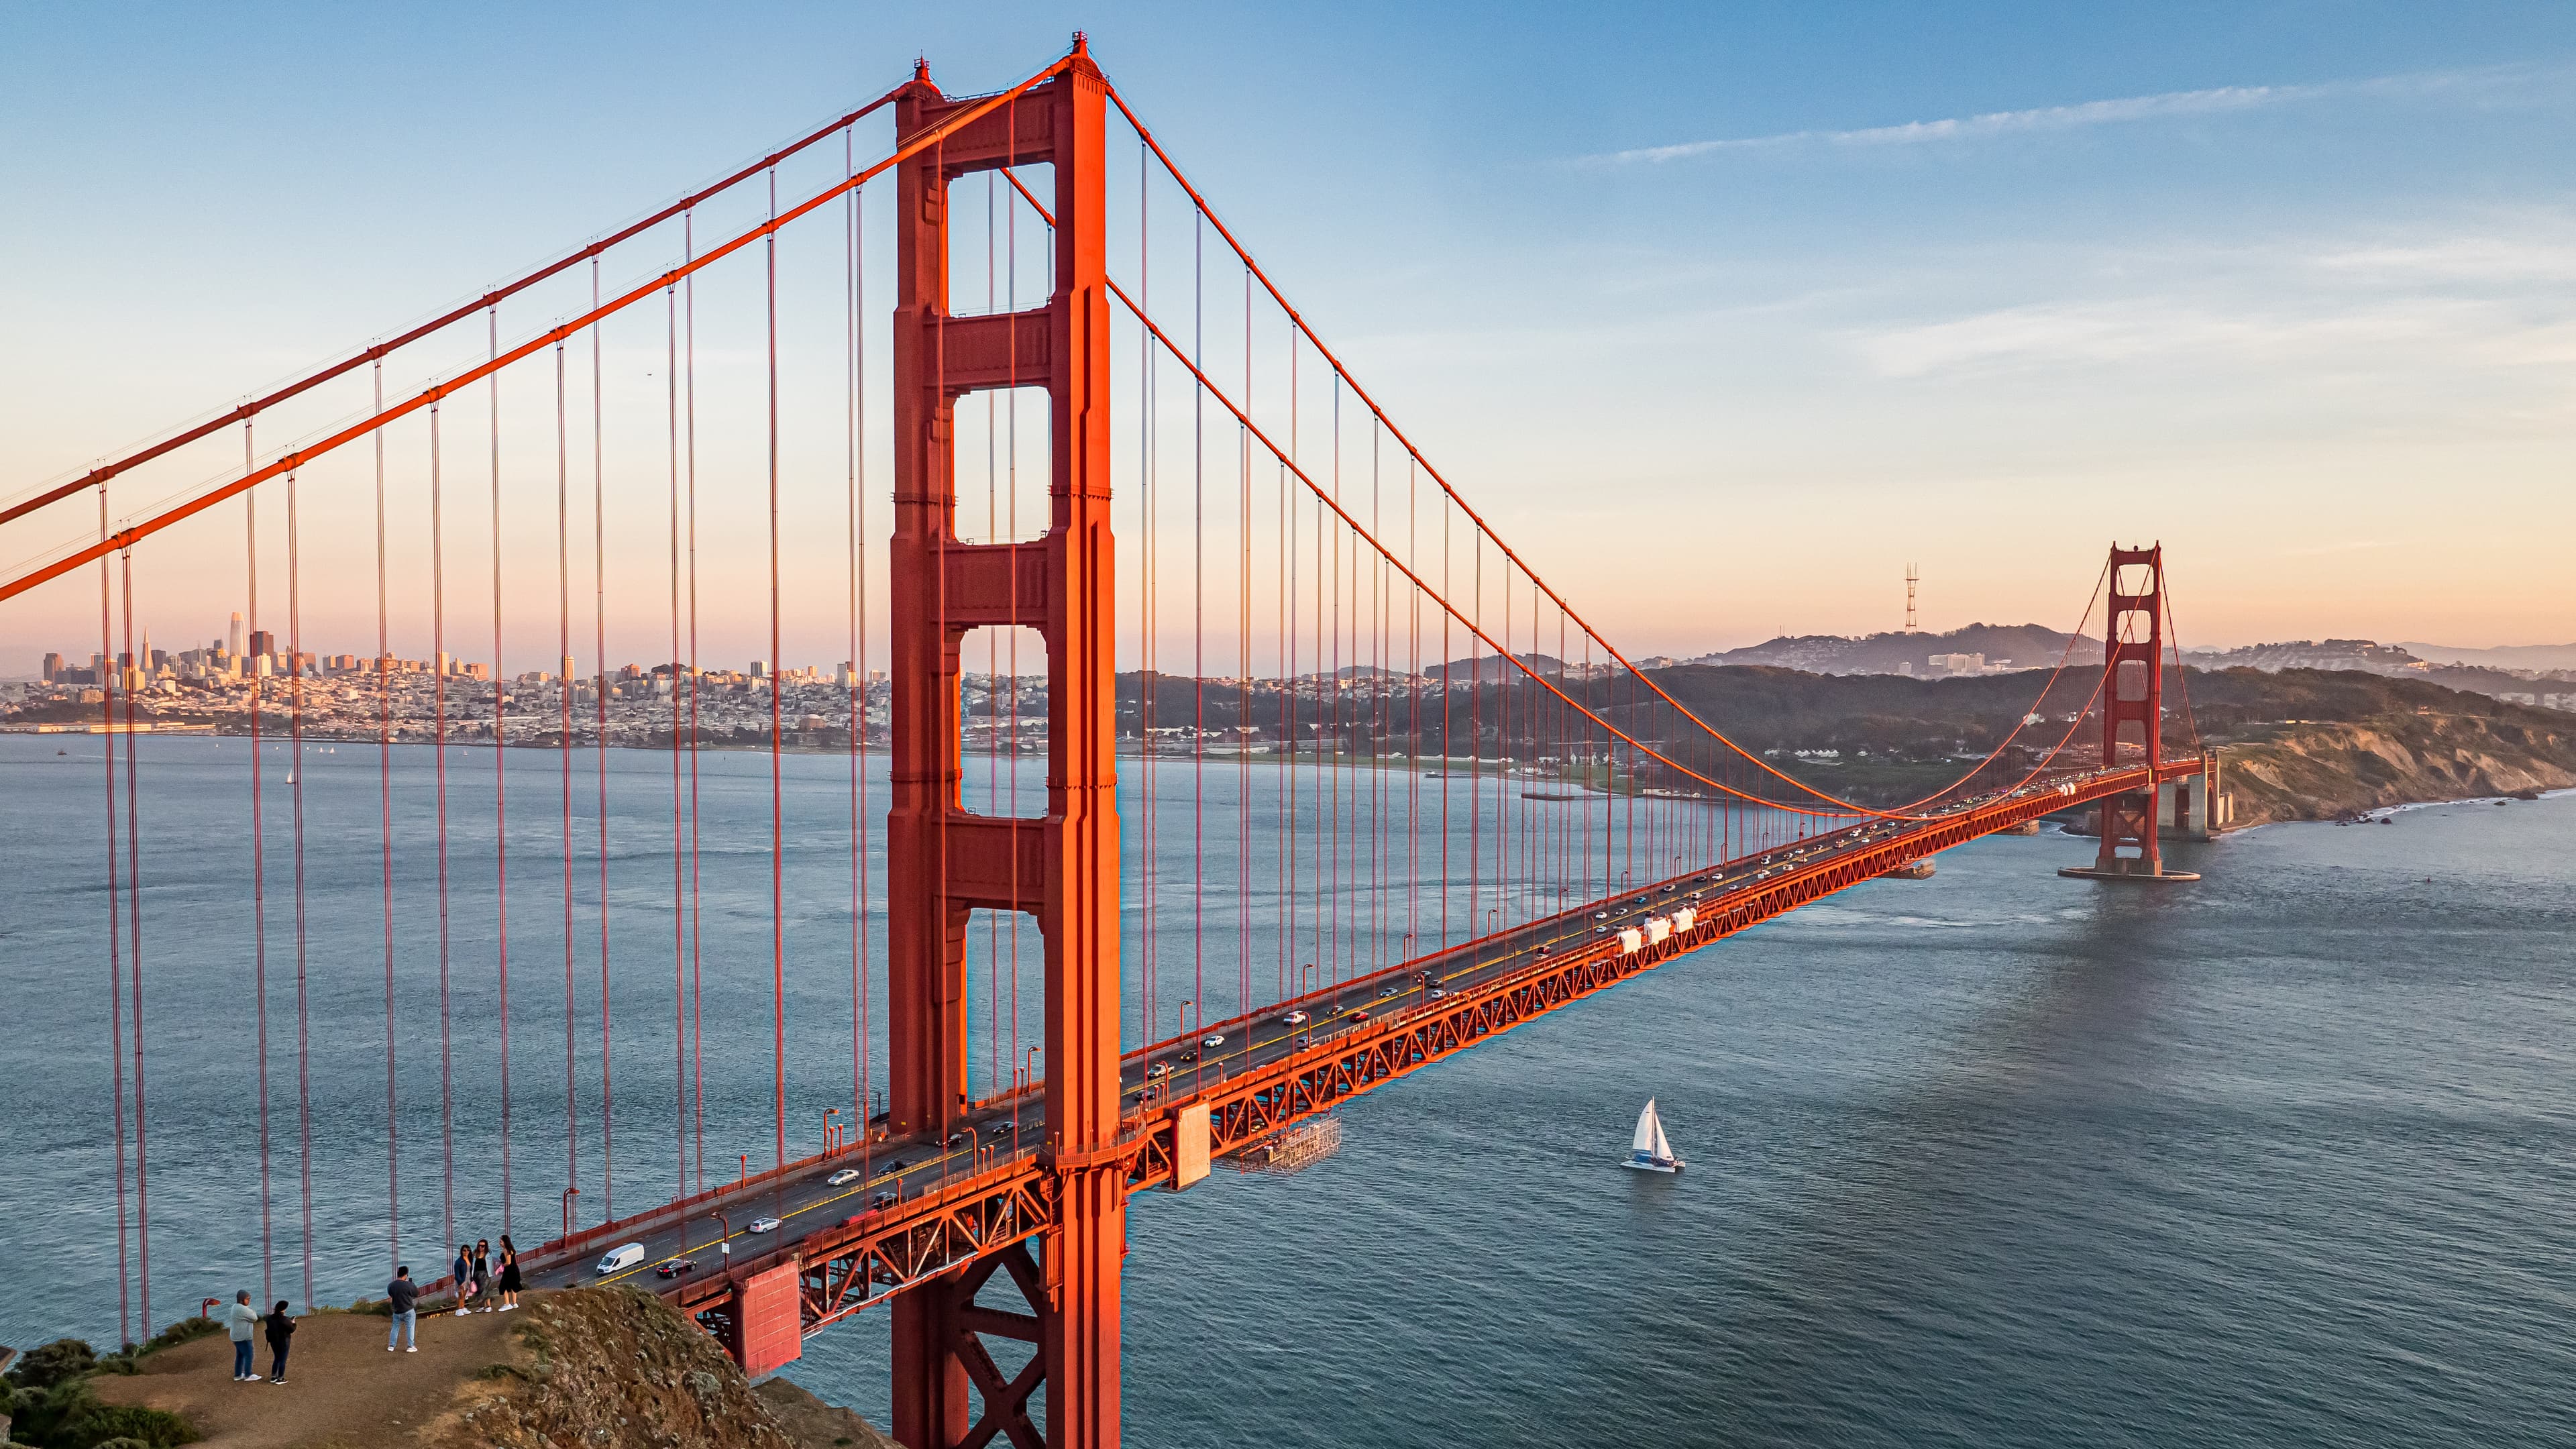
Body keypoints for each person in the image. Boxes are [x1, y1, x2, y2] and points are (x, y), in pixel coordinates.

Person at [226, 1289, 259, 1381]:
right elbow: (255, 1318)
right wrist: (251, 1311)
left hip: (236, 1337)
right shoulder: (242, 1309)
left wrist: (249, 1311)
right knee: (249, 1355)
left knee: (240, 1356)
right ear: (241, 1300)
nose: (249, 1301)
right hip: (243, 1337)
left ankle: (238, 1375)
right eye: (247, 1299)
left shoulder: (235, 1307)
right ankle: (248, 1375)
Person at [386, 1265, 419, 1352]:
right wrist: (412, 1284)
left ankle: (391, 1346)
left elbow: (391, 1294)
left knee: (395, 1327)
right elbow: (416, 1294)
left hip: (397, 1310)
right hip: (408, 1309)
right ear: (405, 1275)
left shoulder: (391, 1285)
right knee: (410, 1327)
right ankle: (410, 1346)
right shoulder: (409, 1285)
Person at [263, 1299, 296, 1385]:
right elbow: (292, 1330)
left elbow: (268, 1321)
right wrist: (293, 1323)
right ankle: (280, 1378)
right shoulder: (285, 1319)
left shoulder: (269, 1318)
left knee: (277, 1358)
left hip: (273, 1342)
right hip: (284, 1342)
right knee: (283, 1360)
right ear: (284, 1309)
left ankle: (273, 1377)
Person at [495, 1235, 523, 1311]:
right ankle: (514, 1303)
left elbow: (508, 1262)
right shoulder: (512, 1250)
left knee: (503, 1286)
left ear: (505, 1242)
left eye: (501, 1242)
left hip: (509, 1270)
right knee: (513, 1286)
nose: (500, 1243)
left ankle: (507, 1304)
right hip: (515, 1269)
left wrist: (502, 1265)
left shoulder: (506, 1251)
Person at [452, 1242, 474, 1316]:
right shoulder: (459, 1261)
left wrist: (471, 1279)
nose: (466, 1252)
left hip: (467, 1280)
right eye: (464, 1250)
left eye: (468, 1250)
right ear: (461, 1251)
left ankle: (463, 1308)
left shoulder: (469, 1259)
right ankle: (459, 1310)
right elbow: (457, 1273)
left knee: (464, 1296)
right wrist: (460, 1282)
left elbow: (470, 1270)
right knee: (461, 1295)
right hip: (461, 1281)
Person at [471, 1238, 492, 1311]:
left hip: (485, 1274)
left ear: (486, 1246)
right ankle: (482, 1306)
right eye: (479, 1246)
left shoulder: (488, 1254)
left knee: (485, 1289)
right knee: (479, 1290)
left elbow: (496, 1259)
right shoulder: (475, 1253)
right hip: (476, 1274)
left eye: (482, 1246)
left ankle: (488, 1306)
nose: (480, 1247)